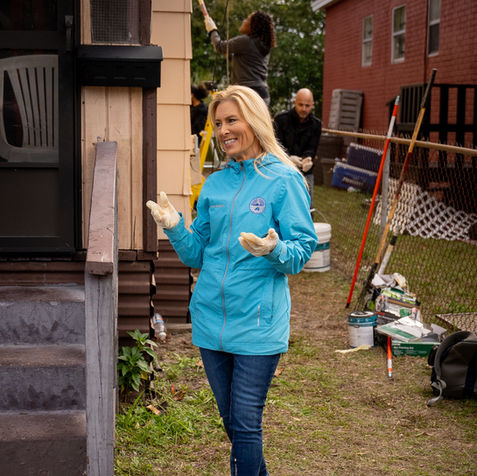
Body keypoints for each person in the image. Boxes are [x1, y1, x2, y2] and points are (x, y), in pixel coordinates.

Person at [146, 85, 317, 476]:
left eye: (231, 121)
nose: (223, 130)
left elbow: (300, 253)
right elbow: (196, 254)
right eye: (218, 123)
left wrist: (274, 249)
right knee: (234, 425)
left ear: (254, 121)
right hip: (211, 322)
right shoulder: (216, 184)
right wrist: (174, 227)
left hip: (257, 323)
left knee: (244, 422)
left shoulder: (283, 179)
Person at [203, 11, 276, 106]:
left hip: (247, 94)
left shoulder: (246, 41)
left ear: (254, 25)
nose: (244, 21)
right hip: (262, 94)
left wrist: (212, 30)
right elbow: (240, 61)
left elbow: (220, 47)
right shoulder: (263, 45)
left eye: (247, 20)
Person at [273, 88, 322, 209]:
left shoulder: (316, 124)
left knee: (307, 205)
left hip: (305, 171)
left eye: (307, 105)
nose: (304, 109)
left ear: (312, 105)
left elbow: (312, 147)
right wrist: (289, 158)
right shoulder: (281, 120)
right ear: (294, 102)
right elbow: (275, 145)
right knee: (282, 202)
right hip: (282, 168)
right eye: (300, 105)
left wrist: (308, 159)